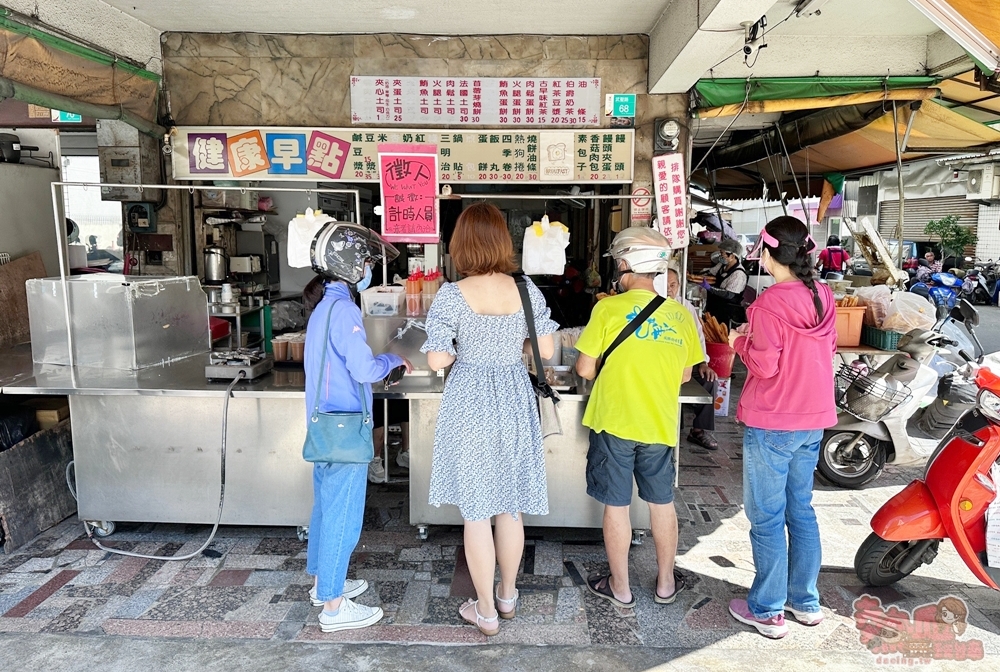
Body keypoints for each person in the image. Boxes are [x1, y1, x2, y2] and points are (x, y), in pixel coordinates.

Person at [422, 202, 558, 636]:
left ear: (460, 245)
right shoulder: (526, 290)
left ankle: (483, 611)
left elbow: (438, 358)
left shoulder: (451, 294)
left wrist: (467, 349)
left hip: (471, 400)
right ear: (503, 241)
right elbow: (548, 351)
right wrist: (511, 349)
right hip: (515, 397)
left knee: (477, 512)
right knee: (510, 506)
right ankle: (508, 596)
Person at [575, 227, 703, 609]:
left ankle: (621, 587)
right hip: (659, 424)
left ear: (627, 264)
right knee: (661, 503)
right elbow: (684, 374)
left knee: (616, 506)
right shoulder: (679, 315)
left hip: (614, 421)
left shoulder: (607, 308)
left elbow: (583, 369)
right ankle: (665, 583)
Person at [727, 216, 837, 639]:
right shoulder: (824, 295)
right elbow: (824, 349)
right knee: (801, 510)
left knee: (767, 517)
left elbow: (766, 365)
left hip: (774, 420)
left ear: (771, 255)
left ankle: (767, 609)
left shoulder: (771, 302)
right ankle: (805, 602)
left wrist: (741, 342)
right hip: (813, 419)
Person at [303, 222, 413, 633]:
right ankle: (333, 608)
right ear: (348, 264)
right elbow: (364, 368)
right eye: (365, 260)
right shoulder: (344, 309)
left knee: (324, 510)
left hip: (325, 424)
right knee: (342, 517)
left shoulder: (323, 309)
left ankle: (323, 584)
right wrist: (394, 360)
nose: (368, 268)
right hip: (345, 429)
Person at [665, 266, 719, 451]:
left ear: (679, 286)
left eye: (673, 285)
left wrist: (702, 362)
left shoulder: (685, 306)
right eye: (665, 284)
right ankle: (673, 427)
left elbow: (698, 336)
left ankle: (698, 430)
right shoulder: (651, 303)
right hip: (662, 364)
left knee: (709, 379)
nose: (669, 289)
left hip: (686, 363)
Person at [702, 238, 748, 326]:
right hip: (715, 307)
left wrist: (710, 288)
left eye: (722, 253)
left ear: (732, 256)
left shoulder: (739, 274)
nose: (721, 256)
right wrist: (694, 275)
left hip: (727, 313)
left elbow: (729, 294)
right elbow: (709, 272)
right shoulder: (723, 265)